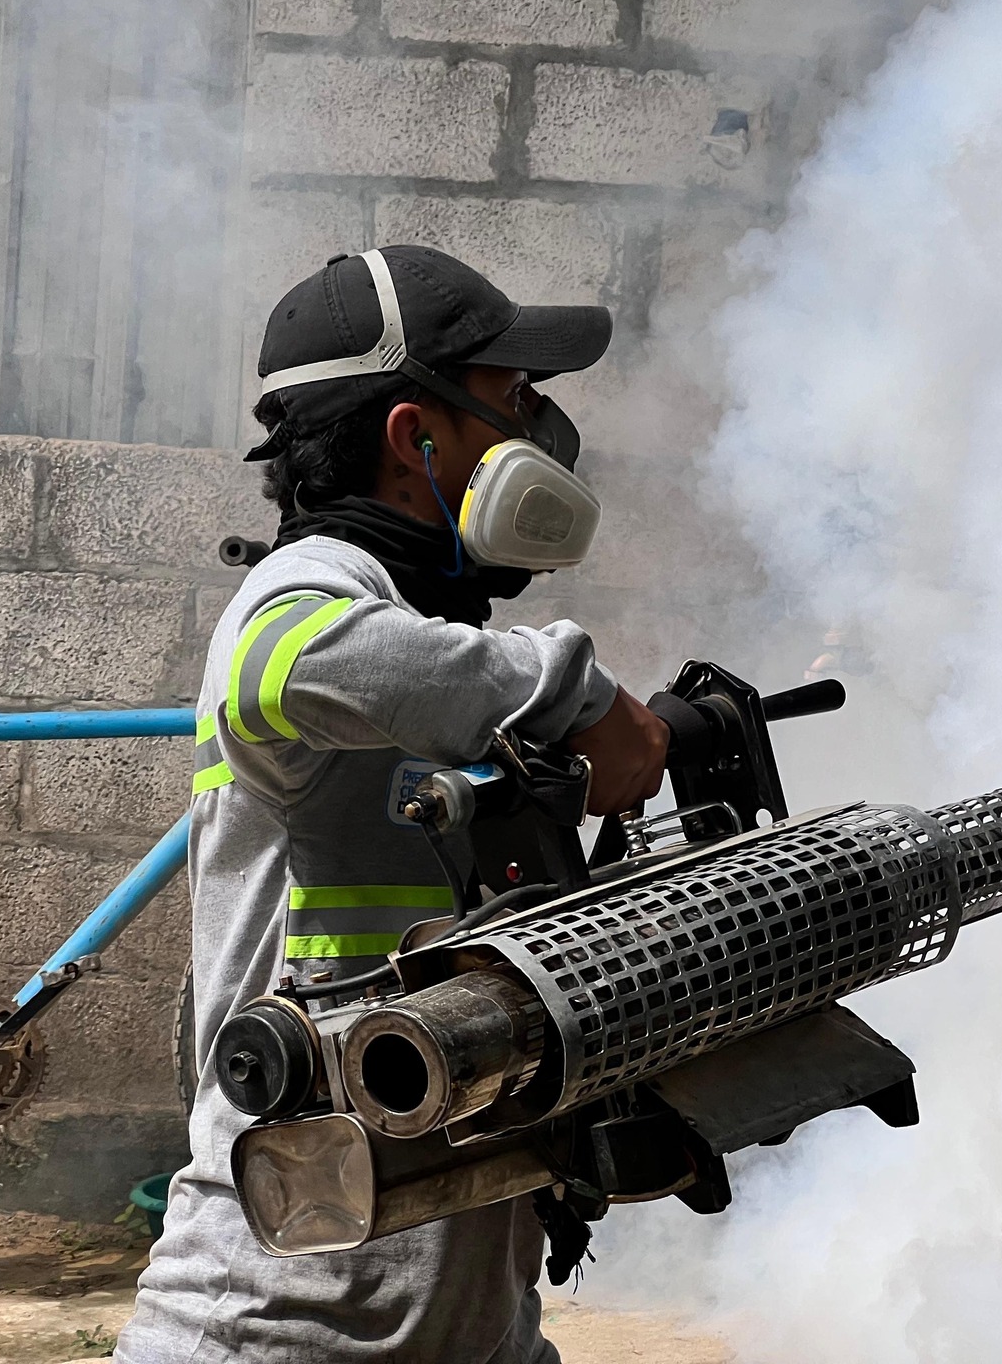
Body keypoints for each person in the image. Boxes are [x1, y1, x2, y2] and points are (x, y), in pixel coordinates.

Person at [116, 246, 669, 1363]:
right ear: (417, 435)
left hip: (464, 1320)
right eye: (514, 399)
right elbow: (275, 663)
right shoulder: (306, 589)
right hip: (275, 1326)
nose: (539, 431)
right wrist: (575, 691)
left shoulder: (426, 634)